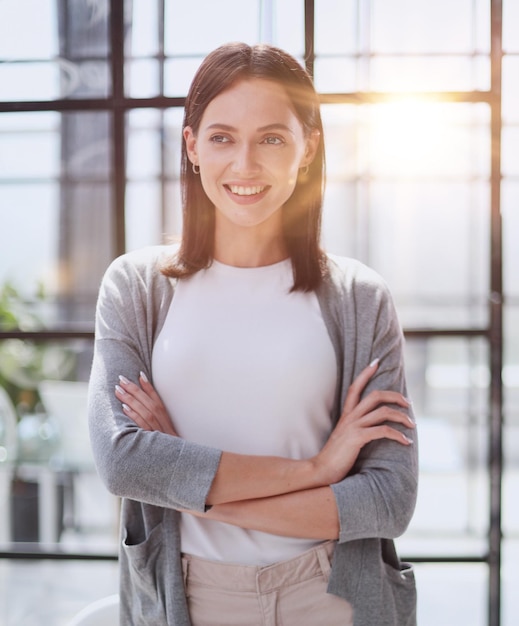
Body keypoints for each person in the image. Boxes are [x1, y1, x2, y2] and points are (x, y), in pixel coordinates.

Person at [88, 42, 418, 626]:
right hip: (191, 595)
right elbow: (124, 464)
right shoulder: (135, 286)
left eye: (272, 138)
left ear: (307, 149)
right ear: (191, 146)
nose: (245, 165)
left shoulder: (360, 298)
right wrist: (318, 471)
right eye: (221, 137)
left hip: (331, 593)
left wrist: (186, 482)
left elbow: (388, 502)